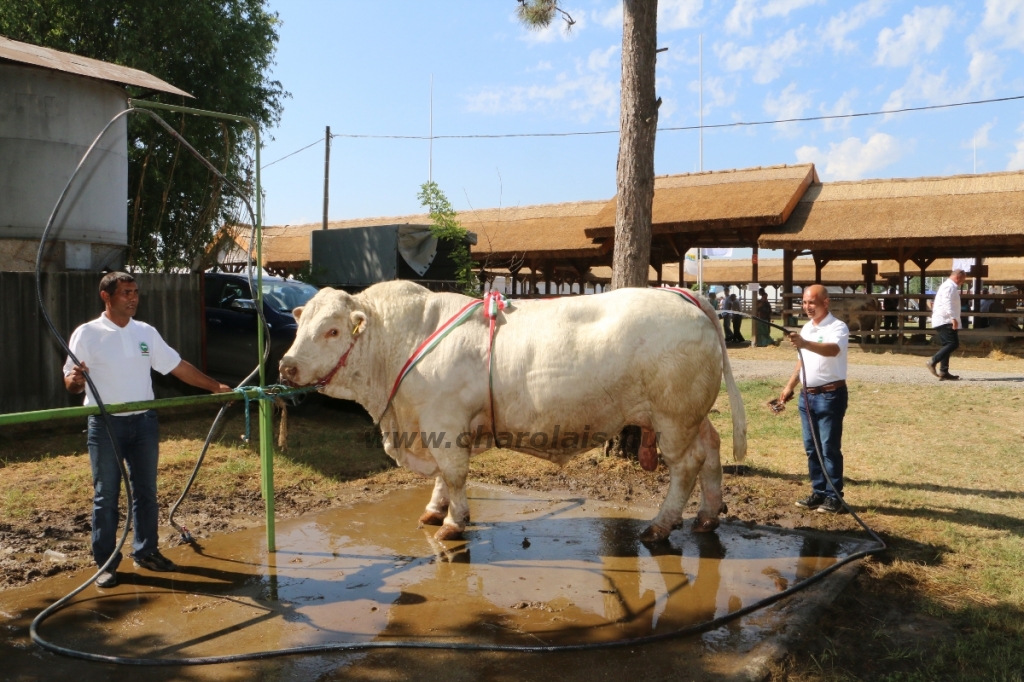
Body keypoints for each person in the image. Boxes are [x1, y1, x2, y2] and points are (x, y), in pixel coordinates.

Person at [64, 272, 231, 589]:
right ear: (107, 297)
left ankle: (146, 551)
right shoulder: (87, 334)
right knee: (106, 497)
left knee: (146, 493)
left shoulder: (146, 333)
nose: (133, 297)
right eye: (126, 292)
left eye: (135, 292)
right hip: (106, 425)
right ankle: (106, 564)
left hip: (143, 423)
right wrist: (77, 380)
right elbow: (70, 383)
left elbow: (177, 366)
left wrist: (215, 387)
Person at [779, 285, 849, 515]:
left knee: (828, 447)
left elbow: (832, 350)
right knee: (812, 448)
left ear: (825, 303)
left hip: (830, 395)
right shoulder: (807, 328)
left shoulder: (838, 327)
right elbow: (803, 360)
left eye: (812, 303)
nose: (807, 307)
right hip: (807, 396)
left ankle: (834, 496)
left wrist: (805, 343)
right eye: (805, 302)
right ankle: (819, 492)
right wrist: (790, 386)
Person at [926, 269, 966, 381]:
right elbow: (947, 302)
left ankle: (944, 371)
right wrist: (953, 317)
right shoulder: (949, 286)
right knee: (953, 344)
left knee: (947, 345)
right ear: (958, 277)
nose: (963, 282)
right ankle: (933, 361)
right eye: (963, 279)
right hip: (945, 320)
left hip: (944, 319)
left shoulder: (949, 286)